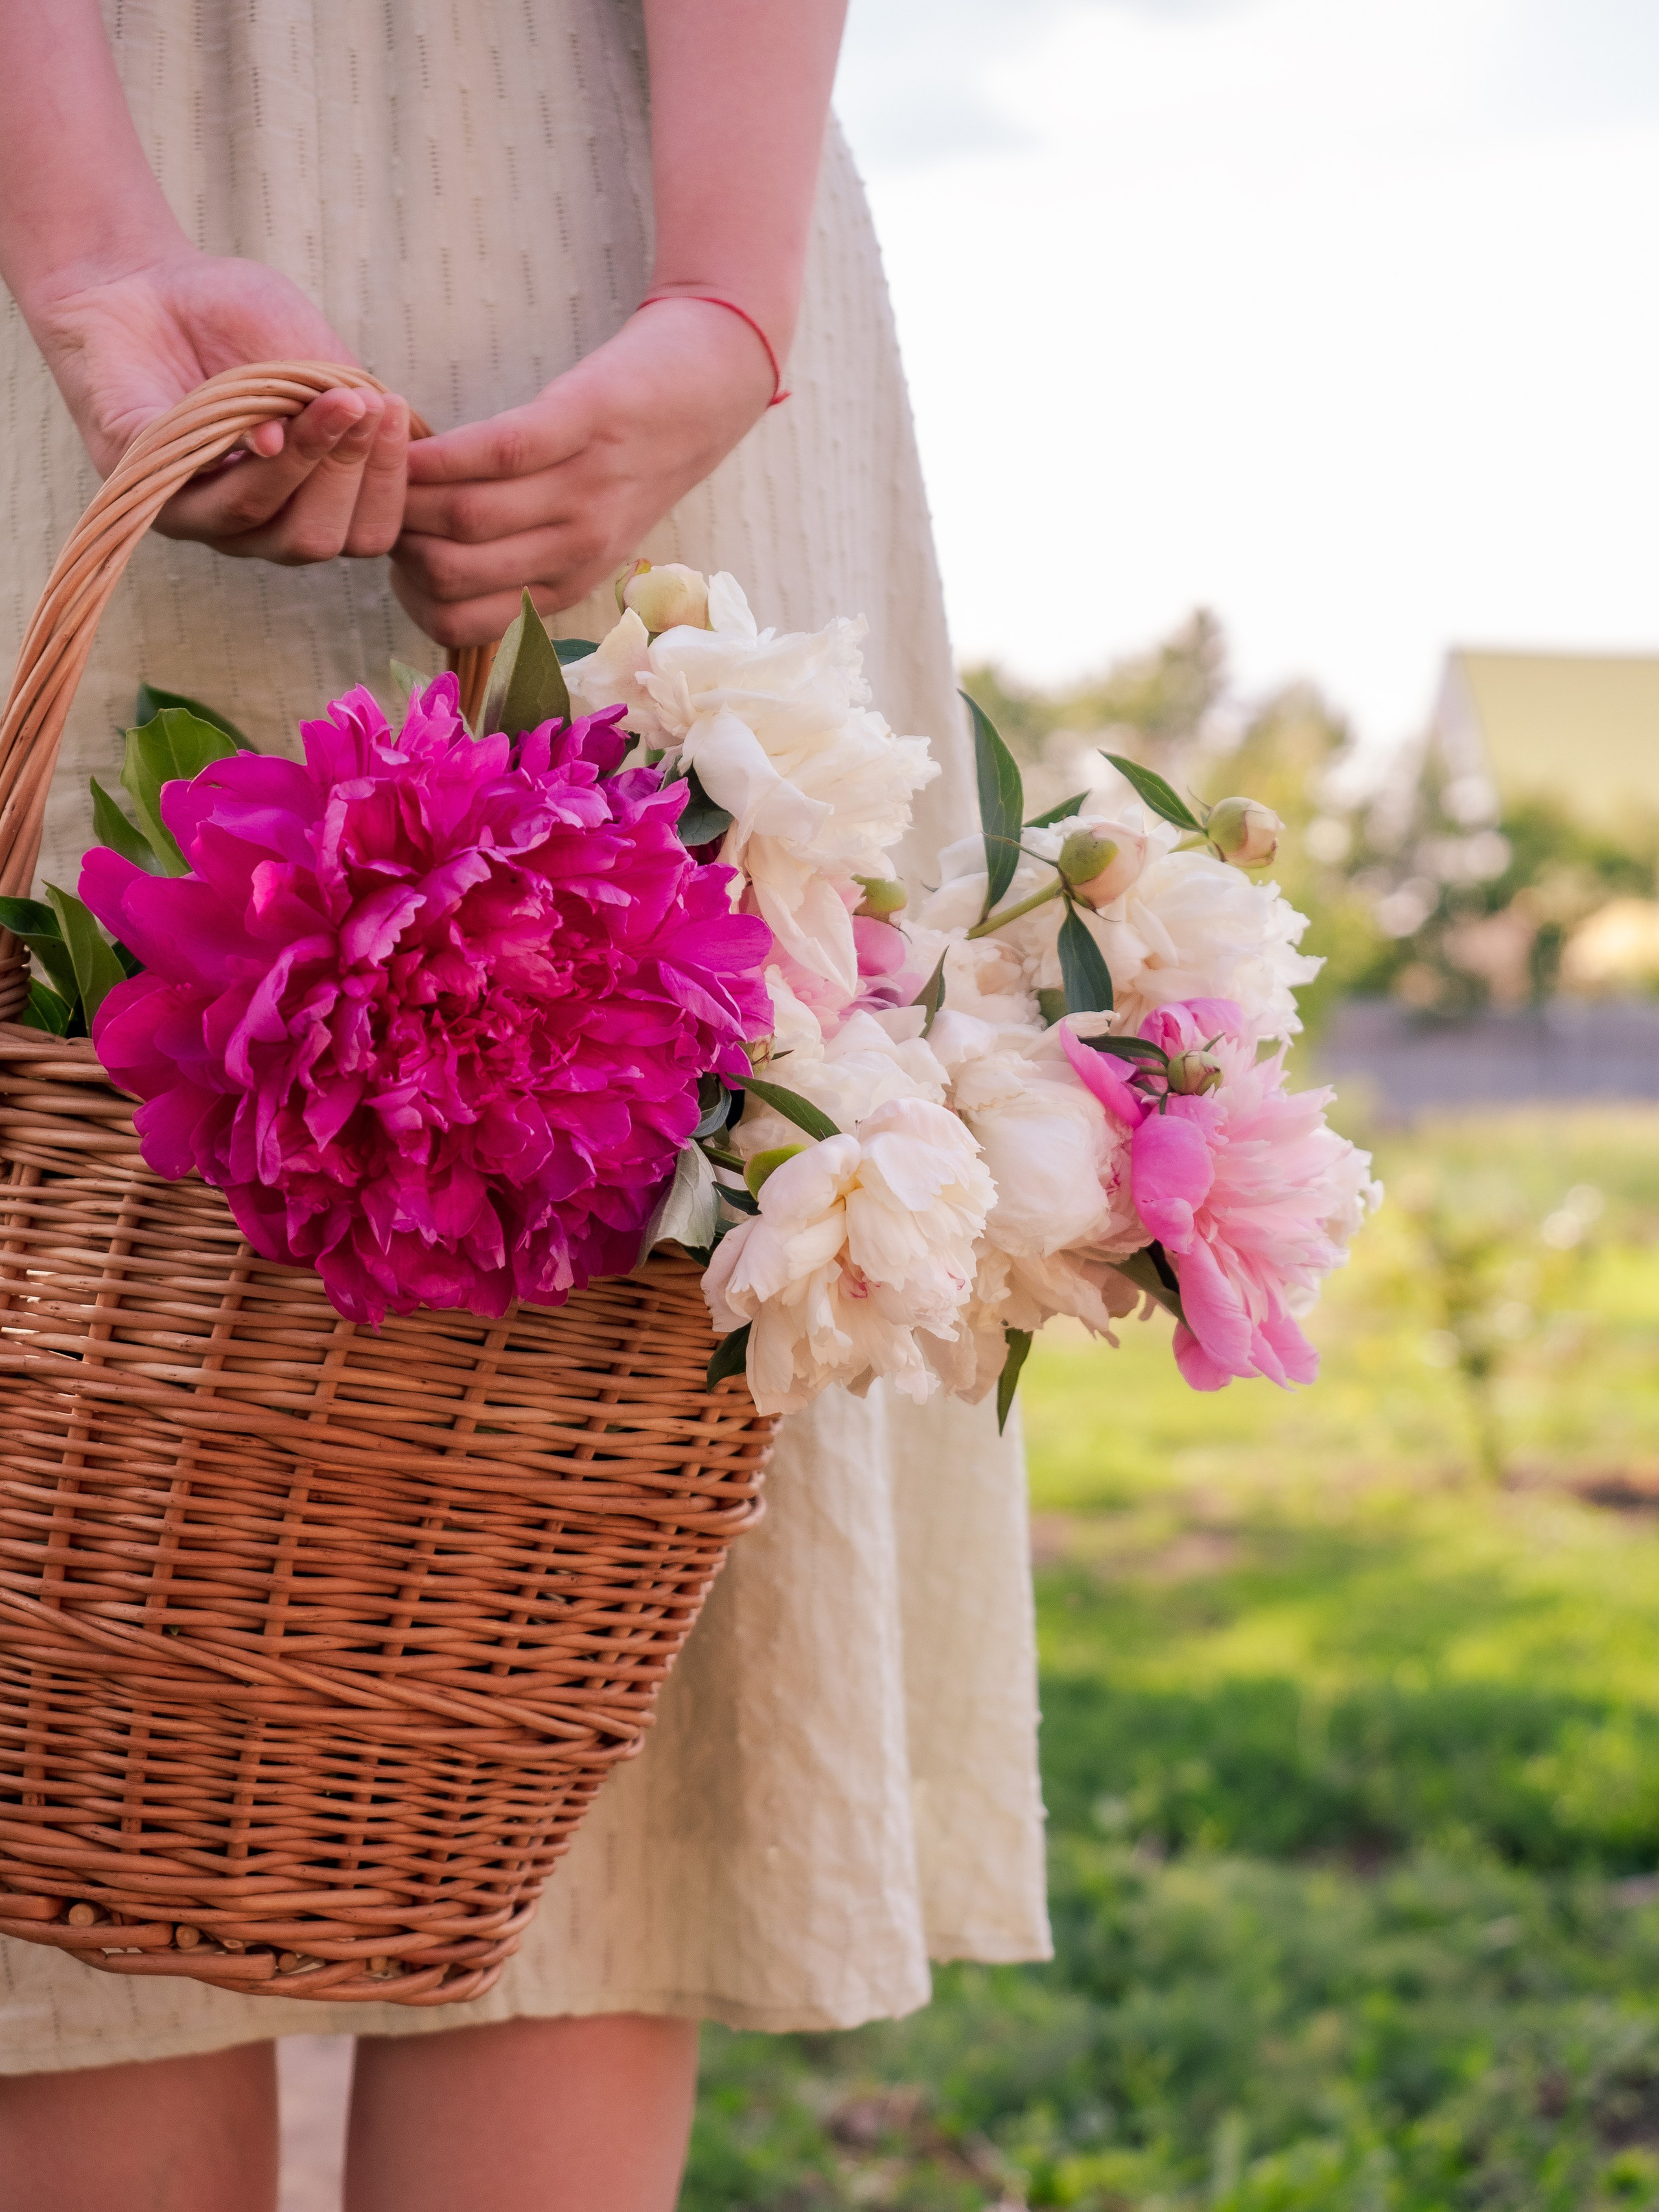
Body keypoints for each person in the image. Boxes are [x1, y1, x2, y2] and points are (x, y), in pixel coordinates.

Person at [0, 5, 1050, 2208]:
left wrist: (720, 303)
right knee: (56, 1585)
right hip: (114, 200)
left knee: (579, 1568)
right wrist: (87, 253)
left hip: (611, 215)